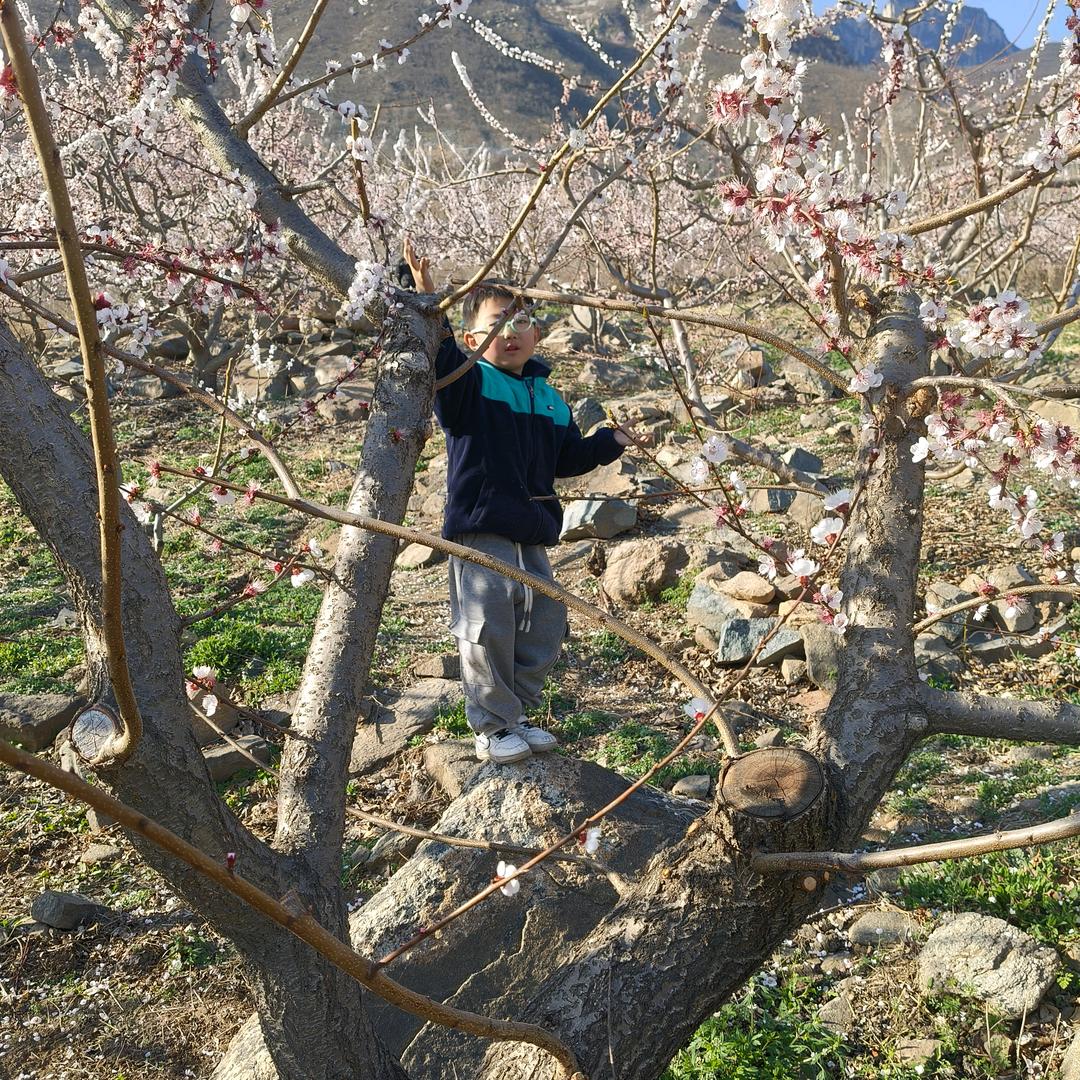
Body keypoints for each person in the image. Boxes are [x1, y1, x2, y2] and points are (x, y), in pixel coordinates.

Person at [403, 239, 646, 764]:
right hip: (483, 526)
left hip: (533, 531)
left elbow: (567, 459)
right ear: (473, 337)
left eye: (522, 320)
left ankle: (518, 713)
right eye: (498, 321)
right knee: (487, 623)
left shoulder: (548, 396)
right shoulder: (469, 381)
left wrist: (610, 442)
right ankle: (491, 725)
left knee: (544, 621)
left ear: (538, 332)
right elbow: (441, 356)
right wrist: (429, 300)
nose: (511, 331)